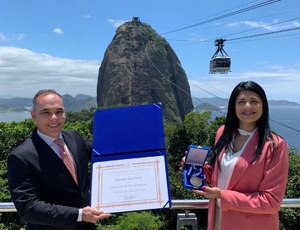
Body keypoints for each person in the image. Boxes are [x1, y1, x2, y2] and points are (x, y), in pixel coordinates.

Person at [181, 81, 289, 230]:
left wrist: (222, 196)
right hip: (218, 218)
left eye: (254, 101)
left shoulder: (275, 145)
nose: (247, 106)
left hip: (252, 225)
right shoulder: (223, 134)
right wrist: (197, 170)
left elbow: (271, 202)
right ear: (233, 107)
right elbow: (223, 175)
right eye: (241, 102)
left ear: (263, 106)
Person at [7, 89, 111, 230]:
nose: (54, 118)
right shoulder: (21, 157)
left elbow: (105, 157)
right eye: (46, 112)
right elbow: (28, 208)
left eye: (59, 111)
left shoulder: (75, 137)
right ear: (33, 115)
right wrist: (79, 215)